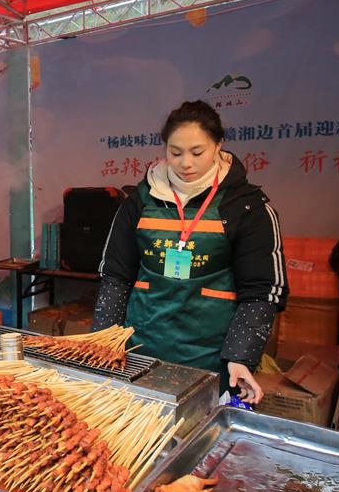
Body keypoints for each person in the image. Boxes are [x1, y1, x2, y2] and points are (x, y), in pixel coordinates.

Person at [92, 101, 287, 403]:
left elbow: (261, 290)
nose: (185, 163)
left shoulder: (246, 207)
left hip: (212, 356)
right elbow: (116, 277)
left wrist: (241, 356)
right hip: (139, 348)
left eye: (197, 152)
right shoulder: (140, 201)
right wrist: (103, 341)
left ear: (219, 145)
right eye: (175, 152)